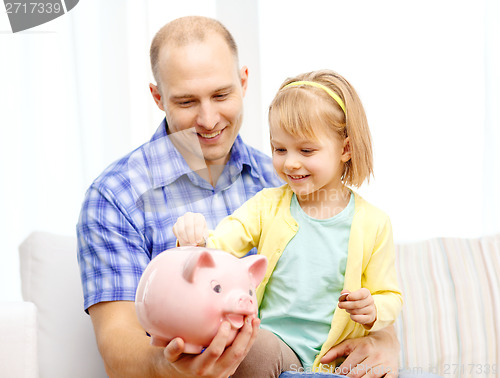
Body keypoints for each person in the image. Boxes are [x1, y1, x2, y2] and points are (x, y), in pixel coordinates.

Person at [77, 15, 404, 378]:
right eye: (186, 101)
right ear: (158, 97)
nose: (208, 118)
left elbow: (358, 289)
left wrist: (386, 339)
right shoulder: (115, 197)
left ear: (244, 82)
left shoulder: (286, 179)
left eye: (221, 94)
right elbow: (118, 346)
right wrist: (178, 367)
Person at [173, 69, 403, 376]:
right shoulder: (267, 205)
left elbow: (390, 295)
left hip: (337, 362)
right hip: (277, 348)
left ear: (345, 149)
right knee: (251, 349)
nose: (290, 162)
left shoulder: (375, 223)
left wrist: (374, 308)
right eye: (279, 149)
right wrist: (195, 241)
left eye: (306, 150)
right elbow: (217, 246)